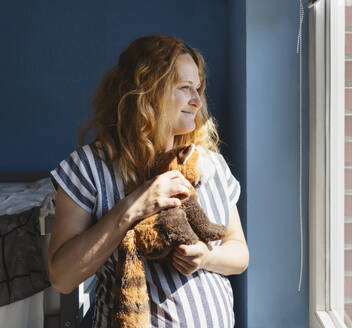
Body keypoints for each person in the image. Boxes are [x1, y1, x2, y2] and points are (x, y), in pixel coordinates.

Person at [47, 35, 249, 327]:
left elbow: (239, 253)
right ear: (147, 92)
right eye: (184, 88)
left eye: (198, 88)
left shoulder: (210, 165)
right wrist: (133, 207)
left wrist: (206, 258)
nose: (197, 100)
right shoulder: (88, 167)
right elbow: (62, 278)